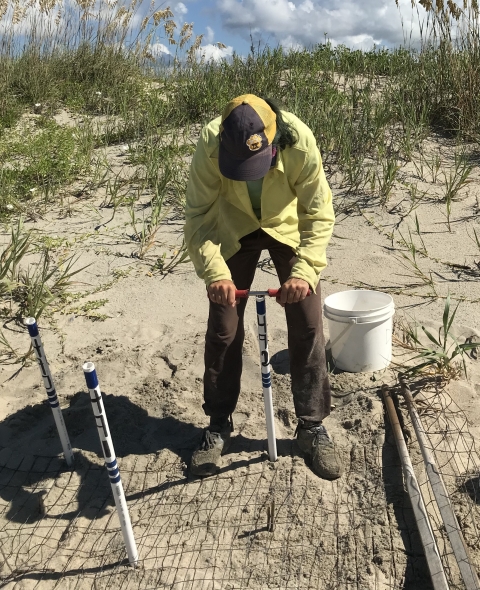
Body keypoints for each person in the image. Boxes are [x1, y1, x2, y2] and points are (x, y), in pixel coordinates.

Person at [184, 94, 343, 480]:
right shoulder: (210, 143)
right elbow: (198, 217)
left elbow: (318, 214)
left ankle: (311, 426)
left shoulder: (299, 139)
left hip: (284, 225)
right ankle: (218, 425)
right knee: (223, 329)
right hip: (234, 226)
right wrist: (215, 274)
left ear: (274, 142)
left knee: (307, 321)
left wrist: (304, 273)